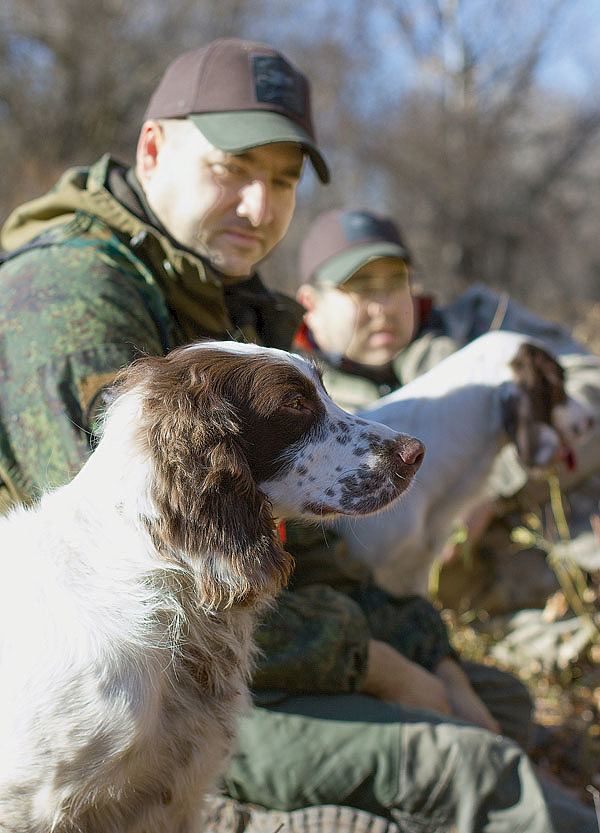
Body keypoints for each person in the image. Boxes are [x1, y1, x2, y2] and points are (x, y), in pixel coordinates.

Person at [0, 41, 594, 833]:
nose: (259, 205)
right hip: (125, 688)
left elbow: (308, 547)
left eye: (282, 180)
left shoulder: (232, 302)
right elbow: (153, 589)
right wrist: (382, 667)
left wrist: (430, 654)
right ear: (153, 149)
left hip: (231, 639)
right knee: (466, 767)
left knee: (497, 701)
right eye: (233, 168)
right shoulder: (65, 297)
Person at [294, 207, 600, 551]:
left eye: (395, 282)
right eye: (360, 288)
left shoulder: (483, 324)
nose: (384, 307)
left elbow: (591, 386)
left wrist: (493, 488)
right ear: (310, 304)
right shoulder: (298, 403)